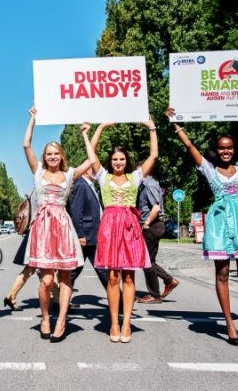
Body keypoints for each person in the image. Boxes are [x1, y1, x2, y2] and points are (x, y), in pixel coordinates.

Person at [167, 106, 238, 346]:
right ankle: (230, 324)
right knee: (222, 273)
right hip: (219, 223)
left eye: (229, 147)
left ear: (234, 149)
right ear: (217, 149)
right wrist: (175, 124)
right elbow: (190, 147)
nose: (226, 151)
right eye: (222, 148)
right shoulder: (209, 169)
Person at [23, 106, 96, 343]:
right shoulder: (38, 172)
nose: (52, 156)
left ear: (61, 155)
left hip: (63, 227)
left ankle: (62, 320)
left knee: (66, 278)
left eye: (56, 153)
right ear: (45, 157)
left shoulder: (71, 174)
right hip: (43, 228)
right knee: (46, 280)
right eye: (49, 153)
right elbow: (26, 146)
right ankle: (45, 317)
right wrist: (32, 120)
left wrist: (86, 133)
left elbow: (92, 159)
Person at [91, 118, 158, 343]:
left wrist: (151, 128)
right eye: (114, 159)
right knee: (112, 278)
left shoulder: (135, 176)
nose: (118, 162)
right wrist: (99, 128)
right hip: (110, 227)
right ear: (110, 161)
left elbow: (153, 156)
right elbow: (91, 153)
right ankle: (113, 322)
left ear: (126, 161)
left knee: (129, 277)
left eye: (121, 159)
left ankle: (127, 323)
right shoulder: (103, 177)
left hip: (129, 227)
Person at [135, 161, 179, 304]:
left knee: (147, 261)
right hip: (151, 225)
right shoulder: (147, 185)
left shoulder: (149, 184)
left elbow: (156, 208)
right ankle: (168, 281)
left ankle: (155, 294)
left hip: (152, 226)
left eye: (138, 170)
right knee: (148, 260)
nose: (136, 174)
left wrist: (146, 224)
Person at [68, 169, 108, 292]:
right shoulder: (80, 185)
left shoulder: (90, 186)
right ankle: (119, 300)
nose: (96, 171)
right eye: (92, 169)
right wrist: (80, 234)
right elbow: (76, 211)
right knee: (101, 268)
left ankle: (60, 299)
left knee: (75, 269)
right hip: (87, 235)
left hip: (92, 233)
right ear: (85, 172)